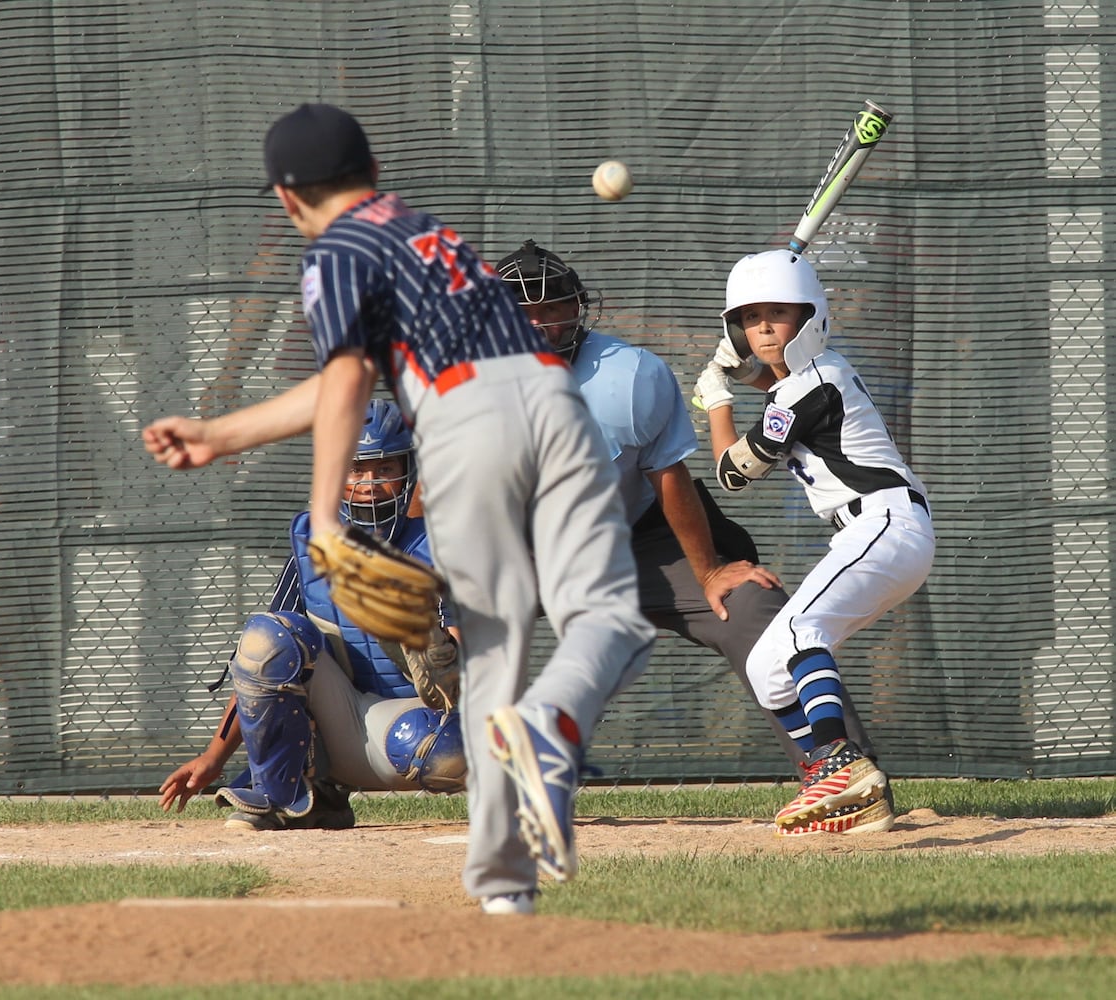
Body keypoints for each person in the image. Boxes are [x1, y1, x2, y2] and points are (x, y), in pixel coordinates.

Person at [143, 103, 655, 915]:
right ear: (374, 177)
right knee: (605, 623)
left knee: (487, 653)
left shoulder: (335, 255)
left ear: (286, 197)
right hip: (556, 416)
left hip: (470, 425)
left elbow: (347, 383)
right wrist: (222, 433)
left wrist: (325, 518)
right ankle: (513, 855)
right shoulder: (428, 234)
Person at [495, 240, 890, 836]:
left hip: (641, 537)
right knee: (448, 615)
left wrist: (708, 572)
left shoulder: (626, 375)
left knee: (751, 604)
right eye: (522, 310)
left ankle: (841, 774)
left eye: (555, 305)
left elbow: (671, 478)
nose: (541, 321)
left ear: (580, 308)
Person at [693, 248, 935, 834]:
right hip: (871, 533)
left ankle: (840, 761)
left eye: (779, 313)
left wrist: (716, 399)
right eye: (751, 319)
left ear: (812, 317)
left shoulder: (817, 381)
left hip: (884, 523)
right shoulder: (806, 383)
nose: (765, 327)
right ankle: (843, 795)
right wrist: (742, 372)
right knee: (770, 669)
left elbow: (733, 473)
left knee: (803, 633)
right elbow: (777, 390)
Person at [158, 399, 465, 830]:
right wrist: (213, 757)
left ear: (408, 471)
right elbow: (258, 659)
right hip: (340, 723)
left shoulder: (441, 545)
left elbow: (477, 669)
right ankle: (295, 796)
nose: (369, 484)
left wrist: (441, 651)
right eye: (355, 470)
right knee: (268, 636)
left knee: (437, 746)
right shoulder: (311, 543)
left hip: (411, 724)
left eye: (384, 470)